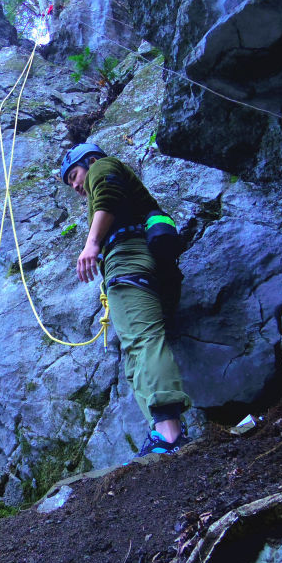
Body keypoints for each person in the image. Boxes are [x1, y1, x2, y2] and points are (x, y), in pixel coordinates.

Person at [61, 142, 192, 458]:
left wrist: (91, 245)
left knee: (144, 340)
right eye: (70, 184)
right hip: (138, 262)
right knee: (134, 354)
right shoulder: (103, 177)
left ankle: (170, 434)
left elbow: (107, 193)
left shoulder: (102, 167)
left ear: (89, 161)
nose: (76, 185)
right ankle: (161, 434)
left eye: (75, 175)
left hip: (128, 258)